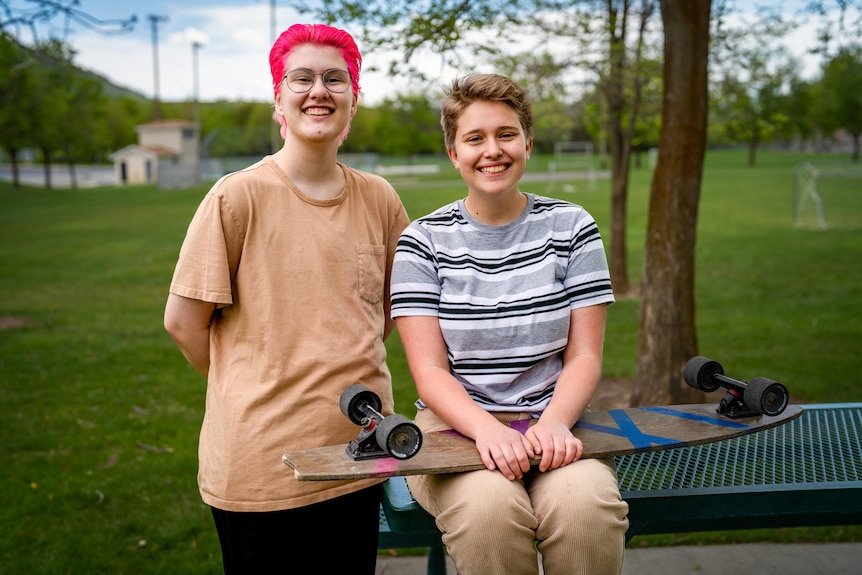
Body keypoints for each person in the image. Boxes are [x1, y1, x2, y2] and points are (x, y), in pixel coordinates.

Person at [163, 23, 409, 574]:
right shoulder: (237, 195)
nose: (318, 90)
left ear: (353, 98)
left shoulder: (380, 198)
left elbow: (392, 309)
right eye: (302, 78)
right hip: (261, 469)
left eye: (334, 79)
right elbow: (183, 322)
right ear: (279, 100)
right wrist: (247, 379)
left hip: (359, 452)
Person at [390, 73, 629, 575]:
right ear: (453, 153)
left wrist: (556, 422)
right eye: (474, 138)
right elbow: (429, 373)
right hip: (456, 426)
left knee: (586, 511)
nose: (491, 150)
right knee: (489, 514)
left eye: (505, 134)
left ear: (527, 142)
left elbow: (584, 355)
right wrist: (485, 431)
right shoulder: (422, 242)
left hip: (555, 416)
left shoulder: (572, 227)